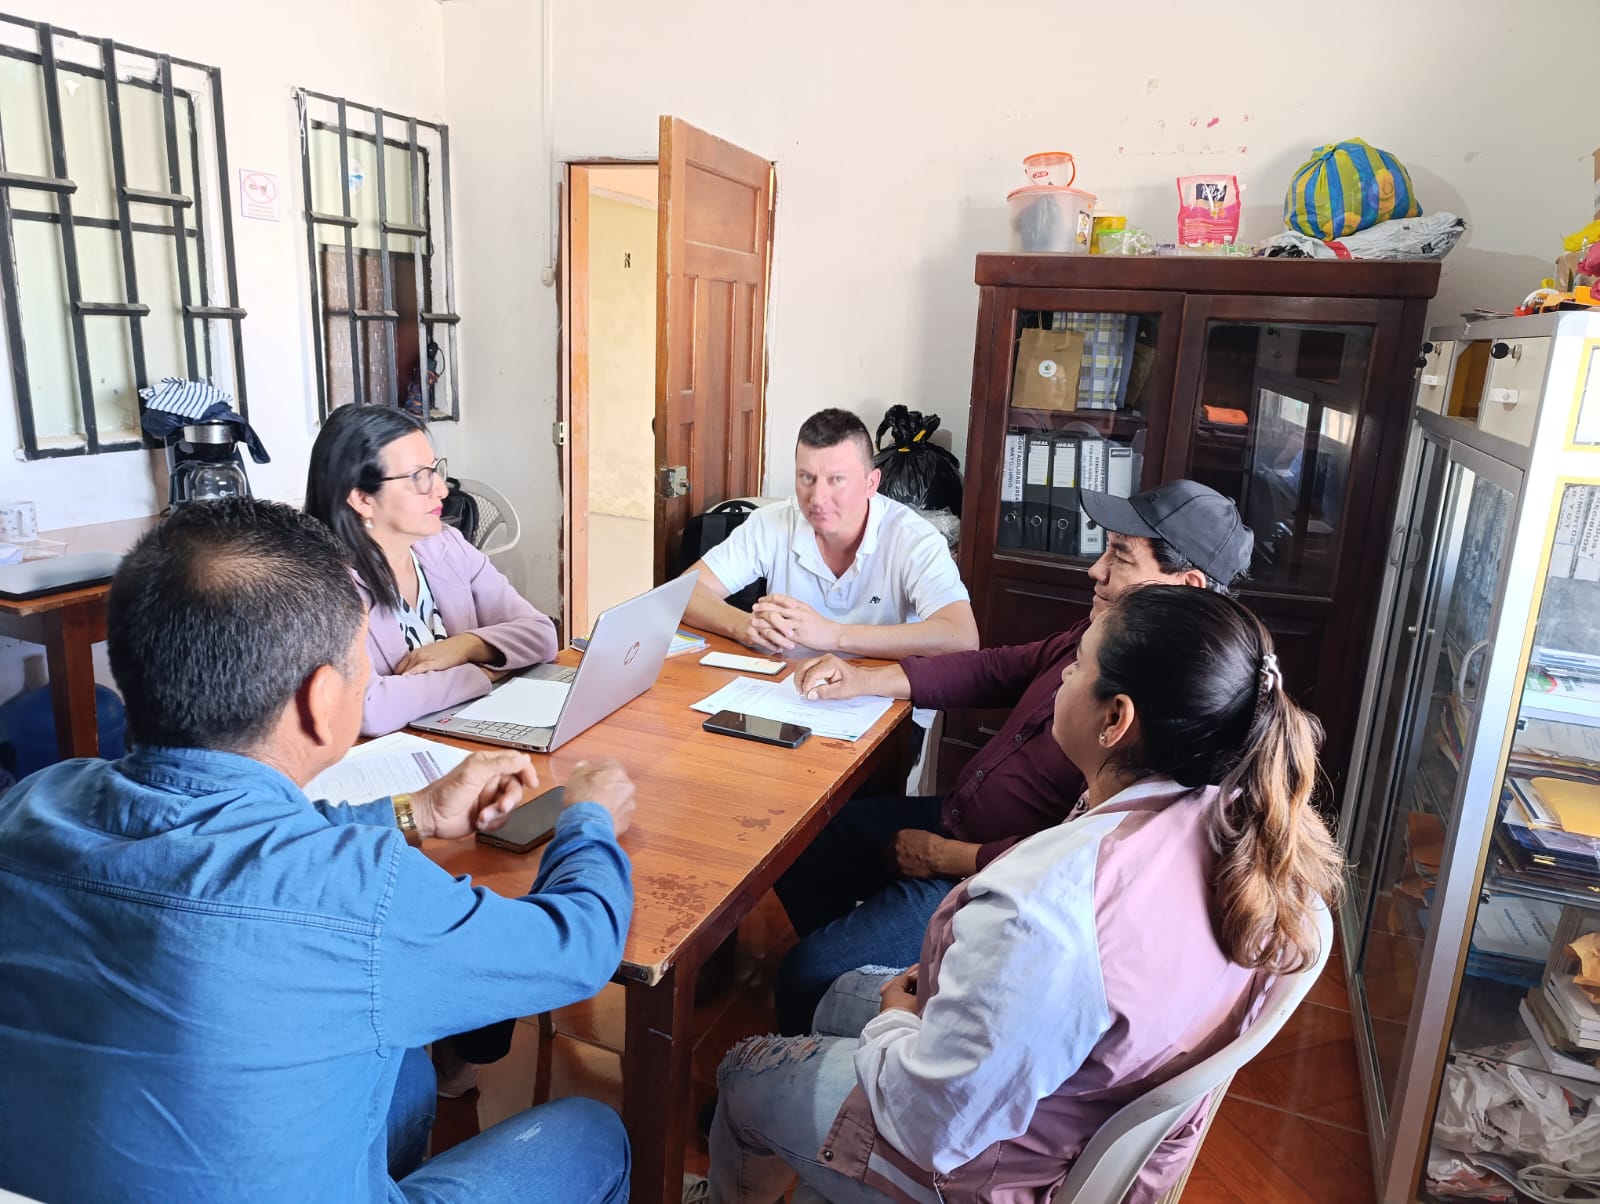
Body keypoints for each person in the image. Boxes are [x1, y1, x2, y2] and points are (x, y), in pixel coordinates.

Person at [0, 500, 635, 1204]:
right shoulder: (361, 894)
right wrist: (589, 818)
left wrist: (415, 812)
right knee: (592, 1133)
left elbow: (226, 839)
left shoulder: (32, 804)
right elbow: (579, 947)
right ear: (320, 699)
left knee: (406, 1072)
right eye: (361, 659)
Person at [704, 584, 1342, 1204]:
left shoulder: (1046, 909)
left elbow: (928, 1125)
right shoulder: (1233, 820)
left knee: (746, 1071)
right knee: (835, 993)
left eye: (1078, 667)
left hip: (983, 1165)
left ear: (1115, 720)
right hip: (1078, 1097)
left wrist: (897, 1023)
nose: (1062, 676)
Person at [771, 478, 1254, 1035]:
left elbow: (1076, 860)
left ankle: (858, 1023)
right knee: (803, 841)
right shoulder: (1104, 634)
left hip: (991, 880)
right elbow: (997, 669)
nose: (1095, 571)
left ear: (1186, 586)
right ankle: (872, 984)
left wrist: (946, 857)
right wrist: (864, 679)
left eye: (1120, 557)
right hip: (959, 821)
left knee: (806, 974)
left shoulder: (1171, 722)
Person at [305, 404, 558, 739]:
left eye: (435, 469)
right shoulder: (323, 584)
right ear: (363, 498)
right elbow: (368, 709)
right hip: (393, 755)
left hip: (466, 734)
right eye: (418, 476)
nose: (441, 489)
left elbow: (542, 635)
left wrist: (467, 645)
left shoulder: (445, 545)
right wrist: (481, 675)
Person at [681, 407, 978, 664]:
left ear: (871, 483)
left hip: (879, 692)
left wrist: (834, 635)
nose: (818, 498)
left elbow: (961, 637)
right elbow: (684, 594)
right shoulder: (772, 523)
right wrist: (744, 625)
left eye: (837, 480)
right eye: (807, 478)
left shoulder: (913, 538)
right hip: (785, 687)